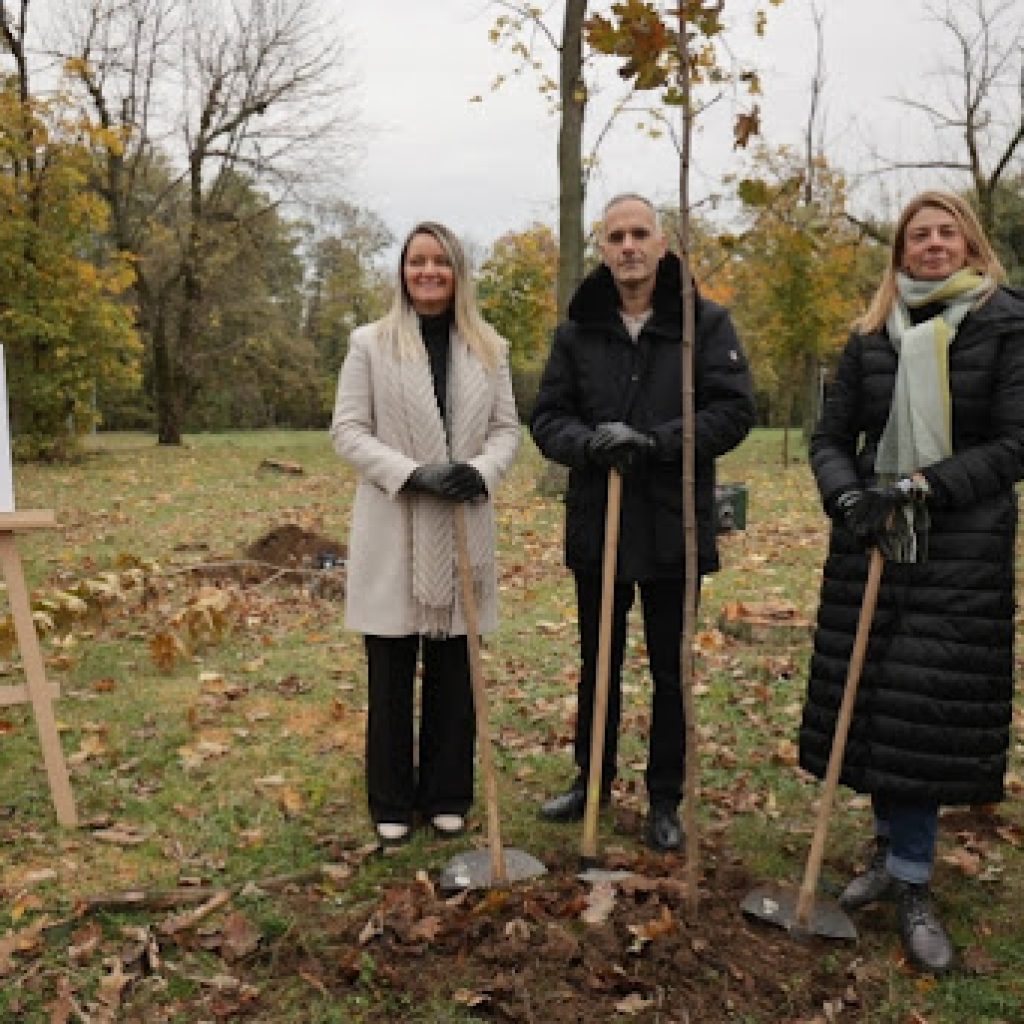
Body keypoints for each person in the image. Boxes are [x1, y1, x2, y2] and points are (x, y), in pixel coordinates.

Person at [801, 190, 1024, 975]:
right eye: (917, 235)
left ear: (970, 243)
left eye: (946, 232)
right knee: (875, 700)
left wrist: (924, 487)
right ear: (899, 253)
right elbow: (830, 436)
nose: (932, 244)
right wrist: (849, 495)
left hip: (958, 545)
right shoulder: (870, 337)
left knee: (922, 703)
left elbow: (1013, 442)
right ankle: (889, 849)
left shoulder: (1006, 323)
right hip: (871, 539)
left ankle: (913, 879)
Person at [530, 194, 754, 850]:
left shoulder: (704, 325)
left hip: (670, 522)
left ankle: (664, 799)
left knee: (669, 670)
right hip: (599, 519)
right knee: (597, 661)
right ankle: (590, 782)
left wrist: (658, 441)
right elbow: (546, 418)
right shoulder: (576, 332)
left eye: (639, 234)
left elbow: (735, 410)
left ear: (661, 244)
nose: (628, 246)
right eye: (615, 236)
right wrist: (590, 443)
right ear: (602, 248)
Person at [330, 221, 520, 845]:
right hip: (394, 524)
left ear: (458, 271)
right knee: (390, 672)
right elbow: (349, 431)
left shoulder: (490, 346)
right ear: (402, 272)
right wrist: (413, 474)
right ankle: (390, 799)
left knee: (452, 672)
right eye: (418, 262)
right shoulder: (371, 344)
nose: (429, 272)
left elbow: (507, 430)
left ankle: (446, 793)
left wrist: (478, 472)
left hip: (462, 521)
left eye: (441, 262)